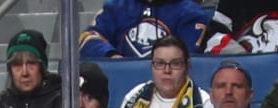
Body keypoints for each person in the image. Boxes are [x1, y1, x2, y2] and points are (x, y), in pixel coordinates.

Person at [80, 0, 223, 58]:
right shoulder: (117, 5)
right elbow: (87, 39)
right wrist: (112, 56)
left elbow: (182, 60)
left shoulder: (191, 13)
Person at [0, 30, 65, 108]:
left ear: (42, 67)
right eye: (17, 65)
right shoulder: (0, 103)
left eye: (31, 63)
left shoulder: (61, 99)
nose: (24, 73)